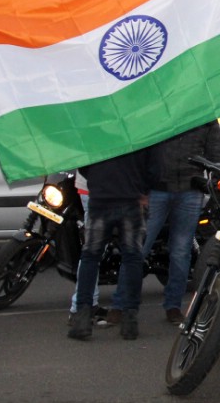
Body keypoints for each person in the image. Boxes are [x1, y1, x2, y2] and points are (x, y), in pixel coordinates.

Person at [67, 144, 163, 341]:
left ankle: (83, 318)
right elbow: (155, 166)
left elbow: (83, 163)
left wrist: (97, 180)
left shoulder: (97, 129)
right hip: (132, 199)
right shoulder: (138, 130)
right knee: (132, 258)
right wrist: (143, 189)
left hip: (101, 198)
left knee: (90, 257)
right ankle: (130, 319)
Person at [140, 121, 220, 324]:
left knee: (181, 252)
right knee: (139, 247)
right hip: (156, 188)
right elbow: (142, 147)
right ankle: (124, 305)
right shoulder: (161, 105)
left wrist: (216, 187)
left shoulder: (205, 113)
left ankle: (173, 307)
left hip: (190, 189)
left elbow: (214, 152)